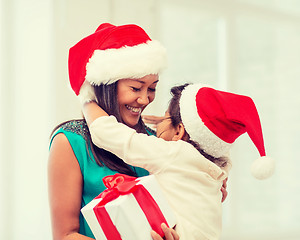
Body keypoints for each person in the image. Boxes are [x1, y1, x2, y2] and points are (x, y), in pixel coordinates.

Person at [82, 83, 275, 240]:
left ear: (179, 131)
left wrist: (87, 100)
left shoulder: (174, 154)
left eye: (165, 117)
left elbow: (110, 135)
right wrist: (167, 123)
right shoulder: (217, 167)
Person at [48, 23, 180, 240]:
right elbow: (65, 235)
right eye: (136, 88)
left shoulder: (152, 140)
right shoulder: (70, 142)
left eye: (153, 88)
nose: (145, 99)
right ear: (105, 86)